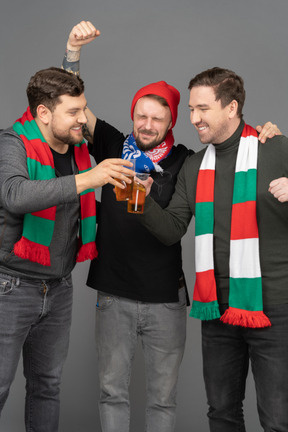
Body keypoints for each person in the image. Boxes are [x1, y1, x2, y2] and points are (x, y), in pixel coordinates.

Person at [61, 21, 280, 432]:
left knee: (166, 402)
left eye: (157, 118)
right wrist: (72, 53)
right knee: (115, 393)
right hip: (114, 293)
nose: (146, 125)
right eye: (141, 116)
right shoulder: (112, 146)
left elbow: (175, 225)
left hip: (168, 298)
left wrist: (270, 139)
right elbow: (73, 106)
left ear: (170, 122)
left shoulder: (185, 159)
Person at [139, 66, 288, 431]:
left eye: (202, 109)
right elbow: (172, 228)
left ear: (232, 107)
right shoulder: (194, 165)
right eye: (191, 109)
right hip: (217, 309)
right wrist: (140, 200)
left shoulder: (278, 148)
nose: (193, 119)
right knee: (221, 413)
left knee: (277, 419)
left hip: (277, 308)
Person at [0, 66, 133, 432]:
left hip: (58, 289)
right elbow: (14, 195)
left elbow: (81, 208)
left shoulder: (76, 149)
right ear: (43, 113)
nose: (82, 120)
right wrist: (88, 179)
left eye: (83, 109)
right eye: (73, 112)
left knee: (47, 387)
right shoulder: (12, 143)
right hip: (10, 287)